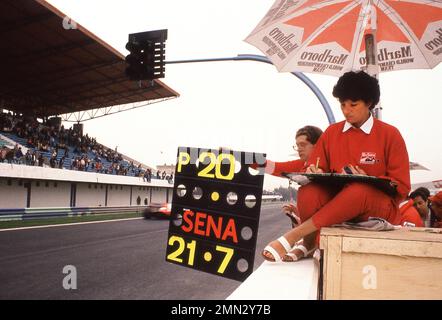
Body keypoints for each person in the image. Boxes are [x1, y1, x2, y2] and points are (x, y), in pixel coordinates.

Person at [262, 70, 410, 262]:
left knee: (359, 190)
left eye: (353, 105)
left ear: (370, 104)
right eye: (342, 105)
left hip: (378, 207)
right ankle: (310, 242)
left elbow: (403, 187)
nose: (346, 110)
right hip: (339, 204)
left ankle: (293, 236)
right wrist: (315, 172)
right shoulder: (332, 133)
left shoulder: (390, 135)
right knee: (309, 191)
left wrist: (369, 179)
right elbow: (316, 167)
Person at [253, 126, 323, 227]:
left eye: (303, 145)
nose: (299, 149)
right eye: (297, 145)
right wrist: (237, 157)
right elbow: (271, 166)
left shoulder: (332, 165)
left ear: (317, 146)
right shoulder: (302, 164)